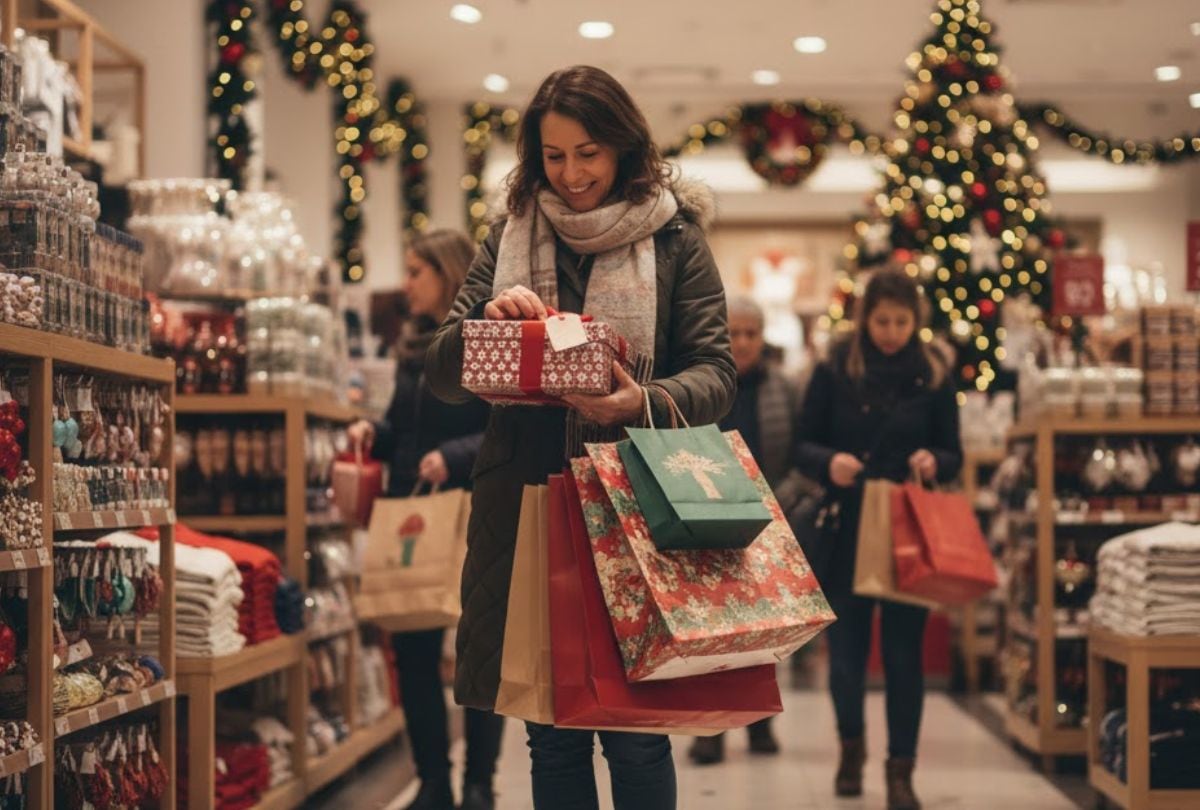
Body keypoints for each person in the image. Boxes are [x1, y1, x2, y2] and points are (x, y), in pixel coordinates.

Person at [424, 65, 735, 810]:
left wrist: (640, 401)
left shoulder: (674, 241)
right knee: (550, 727)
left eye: (589, 153)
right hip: (527, 511)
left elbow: (717, 372)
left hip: (636, 510)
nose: (571, 174)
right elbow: (438, 371)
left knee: (634, 730)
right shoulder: (509, 235)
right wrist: (487, 326)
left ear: (625, 147)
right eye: (555, 156)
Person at [794, 269, 962, 810]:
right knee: (844, 657)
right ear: (865, 318)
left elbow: (952, 451)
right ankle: (851, 750)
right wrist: (829, 463)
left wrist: (935, 460)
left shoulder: (934, 375)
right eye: (882, 320)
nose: (891, 331)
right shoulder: (835, 367)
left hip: (905, 529)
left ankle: (900, 772)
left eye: (902, 321)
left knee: (902, 654)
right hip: (846, 526)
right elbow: (802, 444)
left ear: (917, 321)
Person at [348, 230, 505, 810]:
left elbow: (503, 426)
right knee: (412, 653)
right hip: (413, 513)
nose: (406, 283)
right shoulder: (413, 346)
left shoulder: (485, 338)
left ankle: (480, 783)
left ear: (447, 272)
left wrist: (456, 456)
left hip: (473, 511)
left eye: (417, 271)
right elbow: (403, 431)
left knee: (477, 652)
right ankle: (434, 781)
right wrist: (375, 433)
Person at [686, 295, 804, 766]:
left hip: (769, 521)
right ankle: (711, 729)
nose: (742, 342)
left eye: (750, 333)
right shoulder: (702, 384)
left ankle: (760, 722)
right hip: (710, 519)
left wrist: (777, 503)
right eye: (732, 333)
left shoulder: (786, 389)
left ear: (763, 337)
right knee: (710, 634)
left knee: (763, 635)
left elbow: (798, 453)